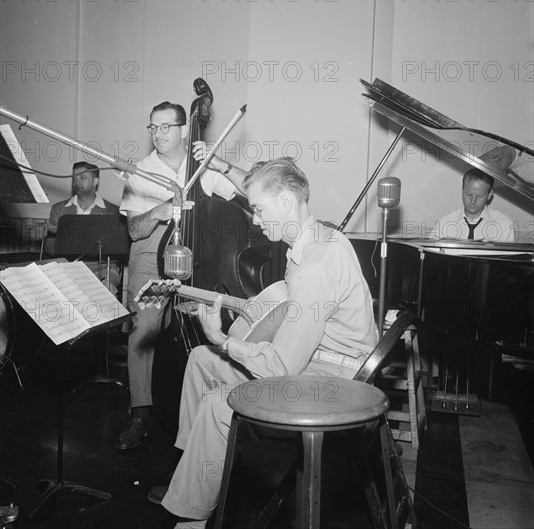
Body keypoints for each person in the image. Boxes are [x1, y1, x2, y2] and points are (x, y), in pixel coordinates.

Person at [156, 157, 378, 529]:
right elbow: (292, 313)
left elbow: (282, 366)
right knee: (199, 360)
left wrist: (224, 339)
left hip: (334, 380)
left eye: (258, 209)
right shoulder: (319, 237)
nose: (254, 220)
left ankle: (191, 517)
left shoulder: (314, 266)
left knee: (217, 400)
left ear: (287, 201)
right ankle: (198, 473)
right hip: (317, 358)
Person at [115, 101, 246, 450]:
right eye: (153, 128)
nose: (158, 134)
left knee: (207, 323)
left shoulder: (201, 166)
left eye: (166, 127)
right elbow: (133, 230)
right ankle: (141, 410)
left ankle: (207, 405)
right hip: (153, 250)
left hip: (198, 250)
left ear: (185, 129)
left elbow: (250, 191)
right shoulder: (140, 170)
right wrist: (160, 210)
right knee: (147, 325)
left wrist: (221, 164)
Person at [44, 161, 122, 294]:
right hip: (66, 268)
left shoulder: (112, 211)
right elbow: (49, 246)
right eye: (74, 178)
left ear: (95, 181)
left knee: (103, 294)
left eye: (82, 177)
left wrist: (69, 239)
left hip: (101, 269)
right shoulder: (59, 209)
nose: (76, 182)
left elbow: (114, 254)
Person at [429, 168, 515, 242]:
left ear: (489, 194)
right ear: (462, 190)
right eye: (468, 195)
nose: (473, 201)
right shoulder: (444, 223)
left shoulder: (503, 225)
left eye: (479, 196)